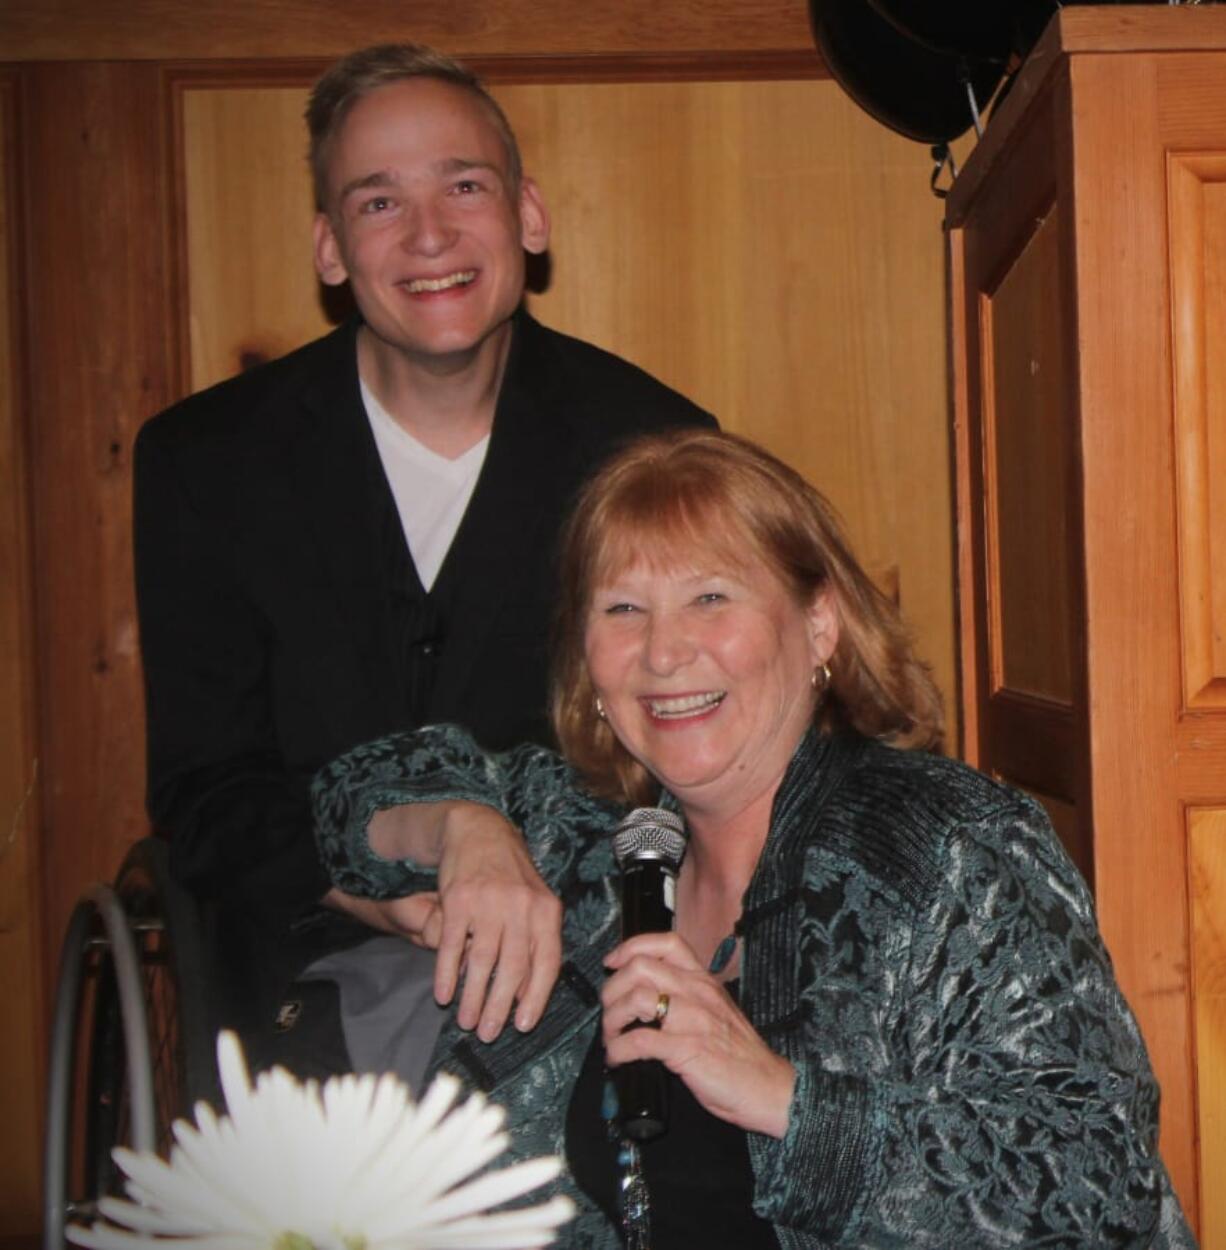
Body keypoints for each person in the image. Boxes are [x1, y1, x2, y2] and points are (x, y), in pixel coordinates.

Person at [312, 428, 1195, 1248]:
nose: (663, 654)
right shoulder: (595, 834)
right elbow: (350, 803)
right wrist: (466, 829)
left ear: (819, 625)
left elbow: (1093, 1185)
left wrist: (785, 1102)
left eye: (709, 597)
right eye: (623, 610)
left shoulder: (950, 848)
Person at [133, 43, 713, 1080]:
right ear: (329, 247)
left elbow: (680, 756)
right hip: (291, 985)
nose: (430, 233)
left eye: (462, 185)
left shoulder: (654, 442)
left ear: (527, 218)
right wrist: (367, 886)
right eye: (378, 202)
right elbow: (205, 788)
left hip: (585, 988)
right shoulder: (205, 462)